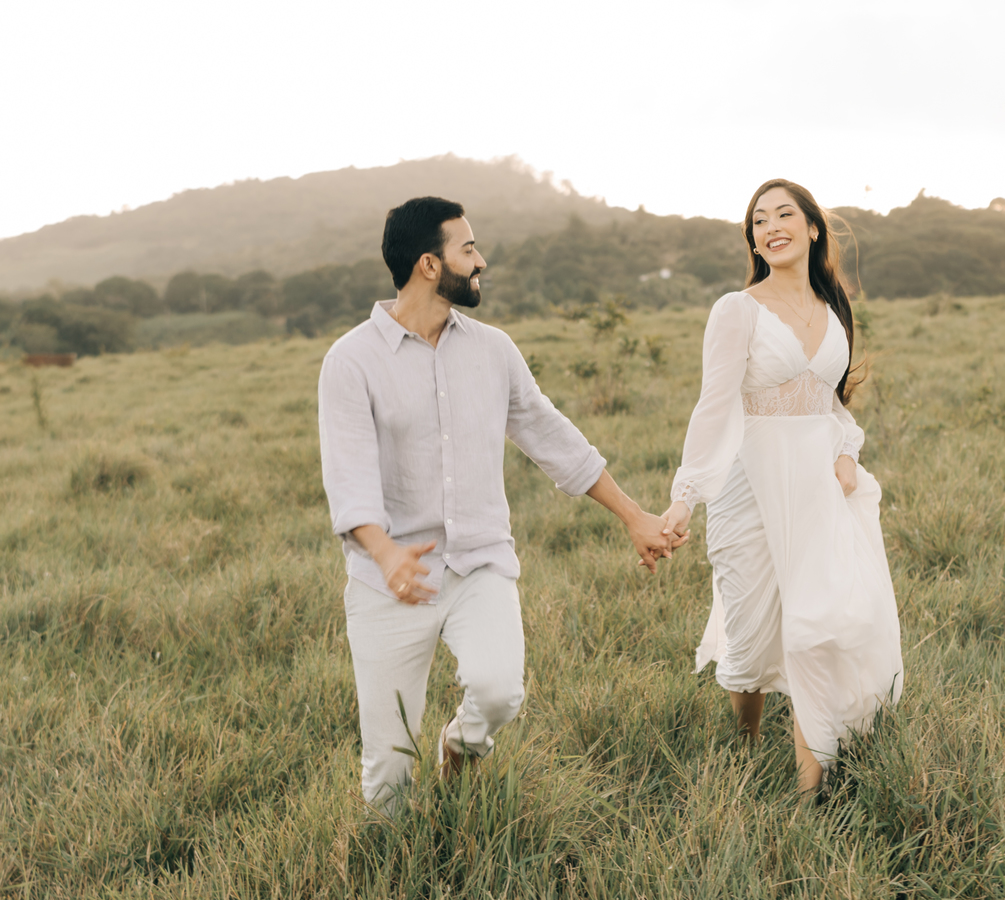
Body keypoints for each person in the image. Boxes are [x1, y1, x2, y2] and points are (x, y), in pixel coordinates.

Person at [318, 194, 678, 813]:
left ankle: (460, 749)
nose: (481, 261)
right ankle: (392, 886)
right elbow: (347, 476)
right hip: (388, 580)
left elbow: (551, 437)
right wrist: (385, 554)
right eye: (468, 249)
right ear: (430, 265)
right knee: (389, 768)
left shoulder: (493, 349)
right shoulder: (351, 361)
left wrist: (634, 516)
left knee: (498, 691)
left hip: (479, 561)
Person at [660, 179, 902, 796]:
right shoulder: (736, 310)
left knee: (813, 627)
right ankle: (745, 744)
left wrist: (847, 453)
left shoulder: (834, 308)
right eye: (758, 220)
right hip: (749, 486)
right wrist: (685, 496)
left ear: (813, 227)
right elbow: (714, 407)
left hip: (819, 488)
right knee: (750, 629)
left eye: (784, 214)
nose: (771, 226)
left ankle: (809, 792)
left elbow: (833, 408)